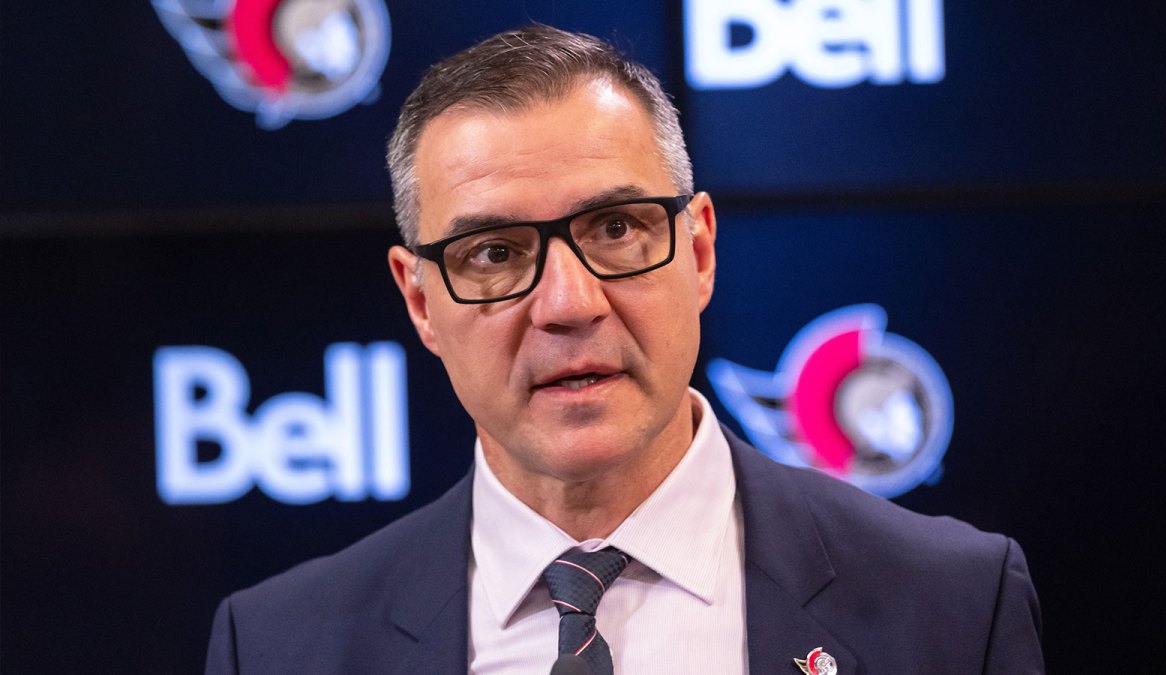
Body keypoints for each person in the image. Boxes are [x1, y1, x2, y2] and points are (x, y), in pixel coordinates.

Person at [205, 25, 1043, 674]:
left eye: (616, 229)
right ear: (421, 300)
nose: (570, 304)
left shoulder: (953, 603)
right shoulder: (280, 646)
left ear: (701, 250)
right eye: (494, 253)